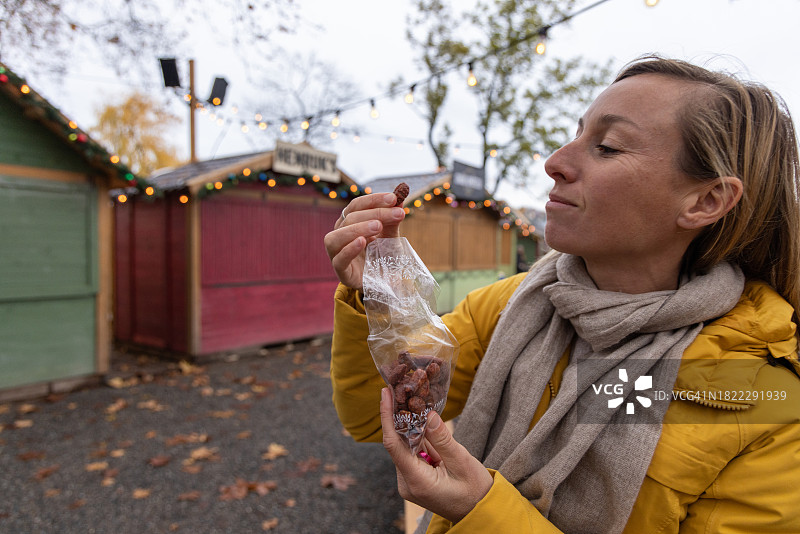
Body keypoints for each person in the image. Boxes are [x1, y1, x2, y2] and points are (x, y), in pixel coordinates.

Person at [323, 56, 800, 534]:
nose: (555, 163)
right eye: (576, 134)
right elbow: (372, 419)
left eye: (607, 147)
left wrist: (482, 514)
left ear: (706, 201)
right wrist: (384, 298)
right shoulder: (513, 305)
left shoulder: (765, 400)